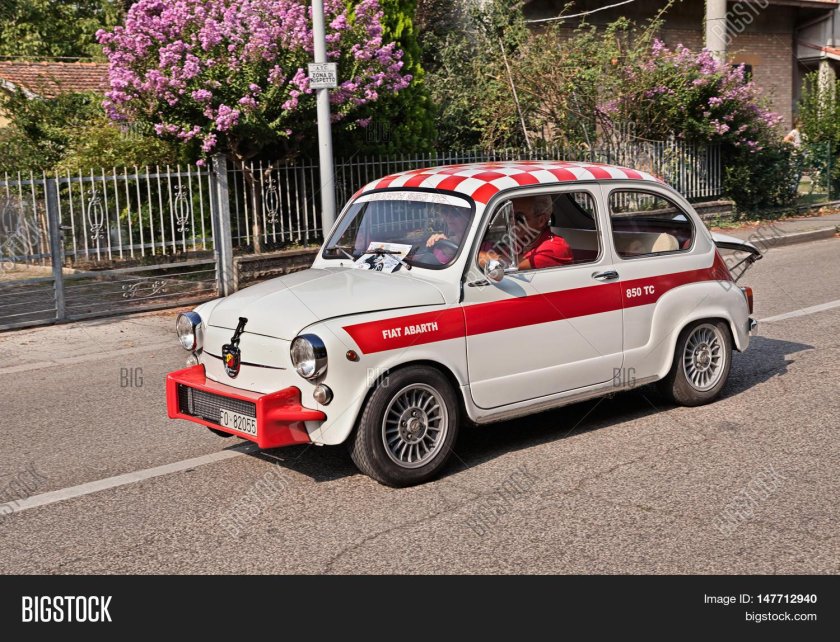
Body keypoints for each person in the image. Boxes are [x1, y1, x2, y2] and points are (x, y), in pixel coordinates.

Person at [479, 194, 573, 270]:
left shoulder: (555, 248)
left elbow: (507, 265)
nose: (512, 222)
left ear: (541, 220)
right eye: (510, 216)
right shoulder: (520, 242)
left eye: (519, 218)